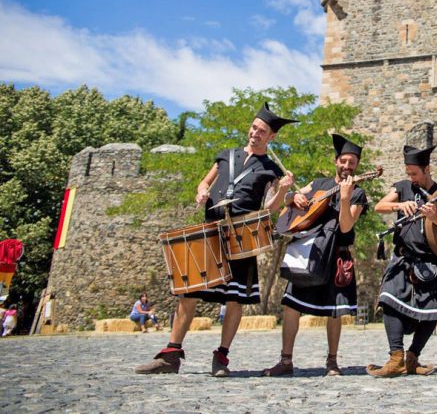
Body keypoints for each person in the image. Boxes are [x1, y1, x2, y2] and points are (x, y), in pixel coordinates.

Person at [136, 102, 295, 376]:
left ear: (272, 137)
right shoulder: (226, 155)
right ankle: (171, 355)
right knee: (189, 293)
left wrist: (282, 190)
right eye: (254, 127)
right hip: (210, 229)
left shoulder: (271, 169)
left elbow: (268, 210)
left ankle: (221, 358)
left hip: (242, 236)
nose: (255, 133)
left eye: (263, 131)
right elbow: (204, 183)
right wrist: (200, 192)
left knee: (234, 299)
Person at [262, 134, 369, 377]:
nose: (347, 166)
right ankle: (286, 360)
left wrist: (343, 197)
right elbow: (288, 201)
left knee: (334, 311)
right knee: (291, 306)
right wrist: (293, 196)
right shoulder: (318, 183)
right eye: (343, 161)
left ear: (357, 166)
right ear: (336, 161)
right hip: (308, 252)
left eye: (352, 163)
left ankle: (332, 362)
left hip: (337, 256)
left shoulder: (358, 194)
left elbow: (345, 226)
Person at [366, 145, 437, 377]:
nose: (411, 178)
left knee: (433, 311)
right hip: (404, 258)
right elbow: (380, 206)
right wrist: (399, 205)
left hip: (431, 262)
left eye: (414, 173)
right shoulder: (403, 187)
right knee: (389, 300)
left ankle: (412, 357)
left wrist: (435, 216)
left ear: (426, 169)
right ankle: (395, 357)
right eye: (408, 173)